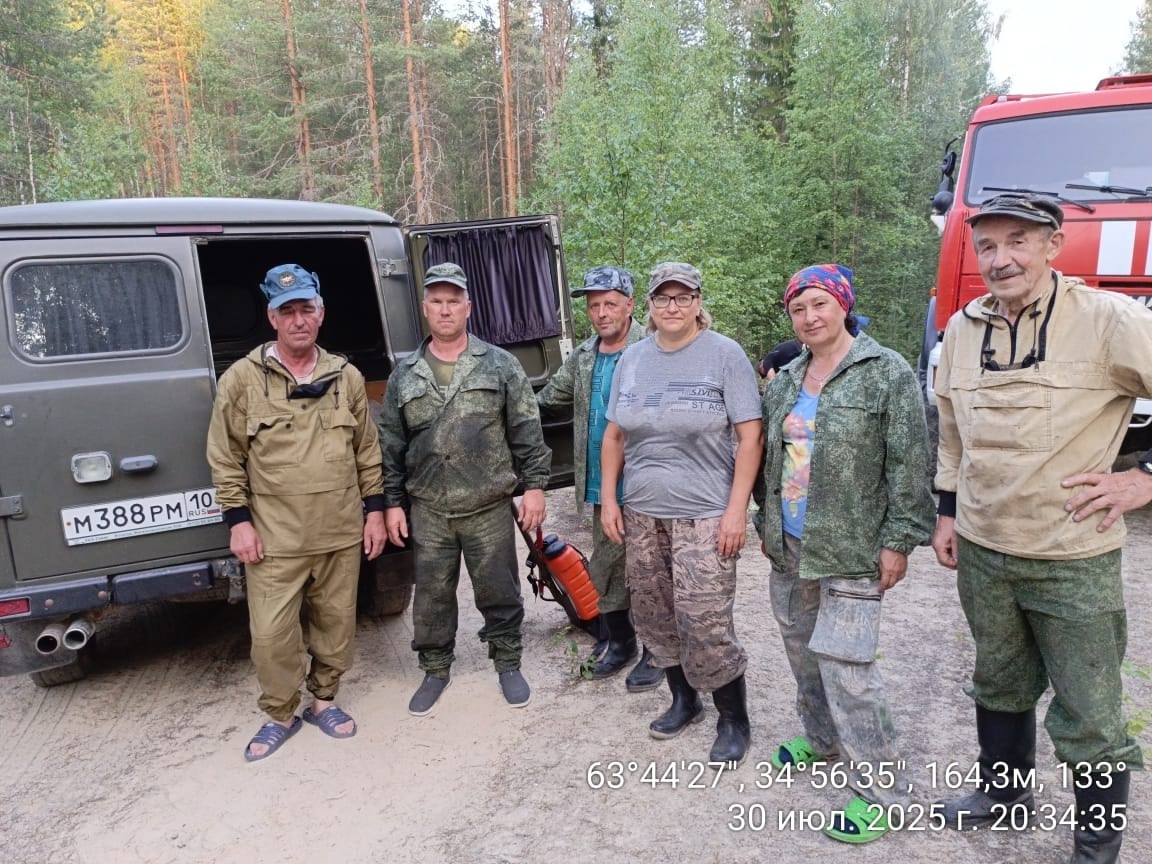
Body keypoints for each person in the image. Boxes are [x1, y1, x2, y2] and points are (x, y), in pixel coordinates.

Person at [933, 193, 1152, 863]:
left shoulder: (1110, 319)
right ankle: (1003, 795)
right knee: (998, 678)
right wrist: (947, 512)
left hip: (1072, 555)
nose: (1000, 259)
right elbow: (951, 430)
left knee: (1090, 710)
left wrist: (1144, 479)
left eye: (1018, 241)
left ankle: (1096, 847)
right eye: (987, 245)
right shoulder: (963, 328)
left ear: (1054, 244)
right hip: (983, 549)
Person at [757, 263, 934, 843]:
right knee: (802, 652)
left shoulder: (886, 372)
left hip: (854, 548)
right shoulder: (787, 377)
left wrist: (898, 540)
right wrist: (764, 523)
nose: (809, 317)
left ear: (843, 306)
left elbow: (910, 463)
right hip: (791, 545)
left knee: (849, 670)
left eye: (819, 305)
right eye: (798, 309)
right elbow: (770, 459)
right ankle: (823, 738)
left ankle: (883, 795)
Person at [207, 263, 387, 762]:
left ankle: (324, 700)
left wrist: (375, 512)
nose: (298, 319)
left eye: (306, 308)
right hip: (275, 538)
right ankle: (281, 712)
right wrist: (238, 522)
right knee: (271, 635)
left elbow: (367, 451)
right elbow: (225, 456)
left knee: (336, 624)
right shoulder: (242, 380)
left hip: (340, 529)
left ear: (321, 313)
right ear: (272, 318)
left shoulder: (346, 377)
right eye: (287, 311)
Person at [600, 262, 763, 765]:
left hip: (705, 514)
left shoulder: (724, 355)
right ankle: (683, 700)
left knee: (703, 617)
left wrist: (736, 511)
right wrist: (610, 499)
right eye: (663, 297)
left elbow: (751, 437)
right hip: (642, 512)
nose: (672, 306)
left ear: (698, 303)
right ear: (649, 305)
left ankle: (733, 717)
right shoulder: (632, 359)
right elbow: (614, 435)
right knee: (655, 613)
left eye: (683, 296)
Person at [378, 262, 551, 716]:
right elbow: (391, 444)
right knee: (432, 596)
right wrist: (392, 503)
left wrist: (535, 487)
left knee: (499, 588)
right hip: (429, 507)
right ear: (425, 308)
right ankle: (435, 668)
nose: (445, 309)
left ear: (468, 307)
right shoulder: (405, 373)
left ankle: (507, 661)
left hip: (487, 504)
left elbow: (526, 429)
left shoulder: (499, 364)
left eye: (453, 301)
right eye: (436, 301)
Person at [535, 265, 662, 690]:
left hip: (648, 484)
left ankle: (658, 651)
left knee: (651, 570)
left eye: (609, 303)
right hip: (601, 485)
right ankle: (619, 642)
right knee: (607, 568)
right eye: (593, 305)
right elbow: (549, 400)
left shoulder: (653, 346)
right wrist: (506, 405)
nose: (601, 313)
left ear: (630, 304)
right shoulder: (585, 355)